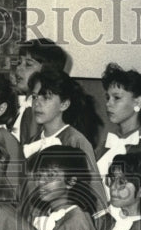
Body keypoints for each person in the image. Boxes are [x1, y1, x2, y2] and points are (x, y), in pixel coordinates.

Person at [22, 68, 106, 210]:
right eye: (35, 97)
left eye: (46, 97)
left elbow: (95, 194)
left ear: (64, 104)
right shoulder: (32, 142)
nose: (37, 103)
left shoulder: (75, 141)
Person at [96, 63, 141, 179]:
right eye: (108, 98)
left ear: (138, 102)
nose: (108, 104)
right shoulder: (105, 144)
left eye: (116, 98)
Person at [11, 38, 69, 143]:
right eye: (19, 62)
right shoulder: (25, 105)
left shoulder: (39, 110)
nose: (19, 68)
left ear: (47, 70)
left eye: (28, 64)